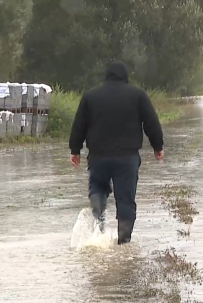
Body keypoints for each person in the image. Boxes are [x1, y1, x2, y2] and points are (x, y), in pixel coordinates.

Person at [68, 61, 164, 245]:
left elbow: (79, 124)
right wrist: (157, 146)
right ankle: (124, 242)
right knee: (126, 199)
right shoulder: (137, 95)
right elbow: (151, 122)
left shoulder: (91, 96)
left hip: (98, 156)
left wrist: (75, 149)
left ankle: (99, 221)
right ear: (125, 76)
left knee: (97, 187)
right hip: (127, 158)